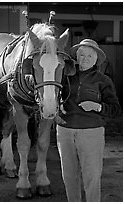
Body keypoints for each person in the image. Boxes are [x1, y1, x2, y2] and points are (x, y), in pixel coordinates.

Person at [56, 39, 121, 202]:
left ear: (96, 59)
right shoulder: (65, 76)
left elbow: (115, 110)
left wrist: (97, 106)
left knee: (91, 176)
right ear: (76, 57)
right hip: (64, 131)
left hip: (92, 133)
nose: (85, 58)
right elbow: (51, 92)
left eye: (89, 56)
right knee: (69, 175)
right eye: (81, 54)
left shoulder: (104, 80)